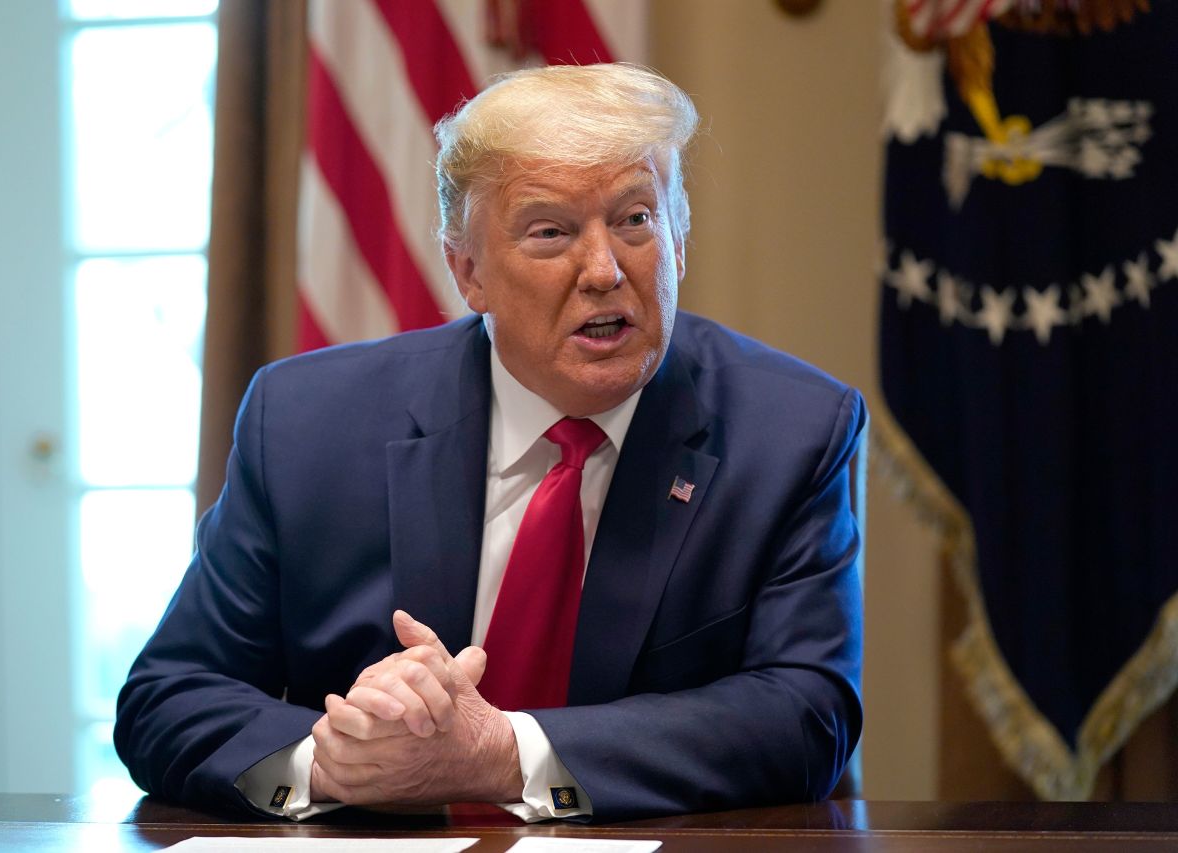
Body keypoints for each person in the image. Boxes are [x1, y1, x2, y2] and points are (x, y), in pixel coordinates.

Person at [115, 62, 865, 823]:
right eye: (552, 232)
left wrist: (502, 750)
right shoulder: (309, 422)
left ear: (680, 241)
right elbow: (169, 695)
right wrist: (334, 757)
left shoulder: (791, 431)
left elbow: (804, 715)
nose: (604, 270)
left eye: (636, 219)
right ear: (467, 272)